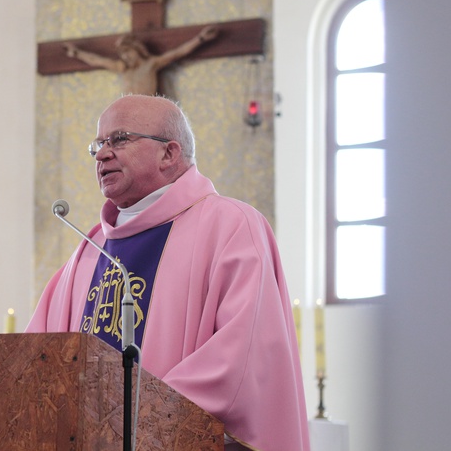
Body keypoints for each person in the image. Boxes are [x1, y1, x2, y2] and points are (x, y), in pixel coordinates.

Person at [26, 95, 310, 451]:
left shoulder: (230, 226)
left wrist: (131, 417)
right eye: (98, 144)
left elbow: (242, 354)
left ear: (169, 153)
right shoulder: (89, 249)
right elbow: (36, 360)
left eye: (120, 139)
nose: (101, 154)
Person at [63, 25, 218, 95]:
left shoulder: (152, 64)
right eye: (122, 54)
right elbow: (96, 60)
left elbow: (178, 53)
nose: (125, 57)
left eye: (128, 52)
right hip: (128, 112)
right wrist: (77, 53)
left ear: (137, 49)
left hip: (149, 108)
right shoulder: (122, 67)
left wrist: (201, 38)